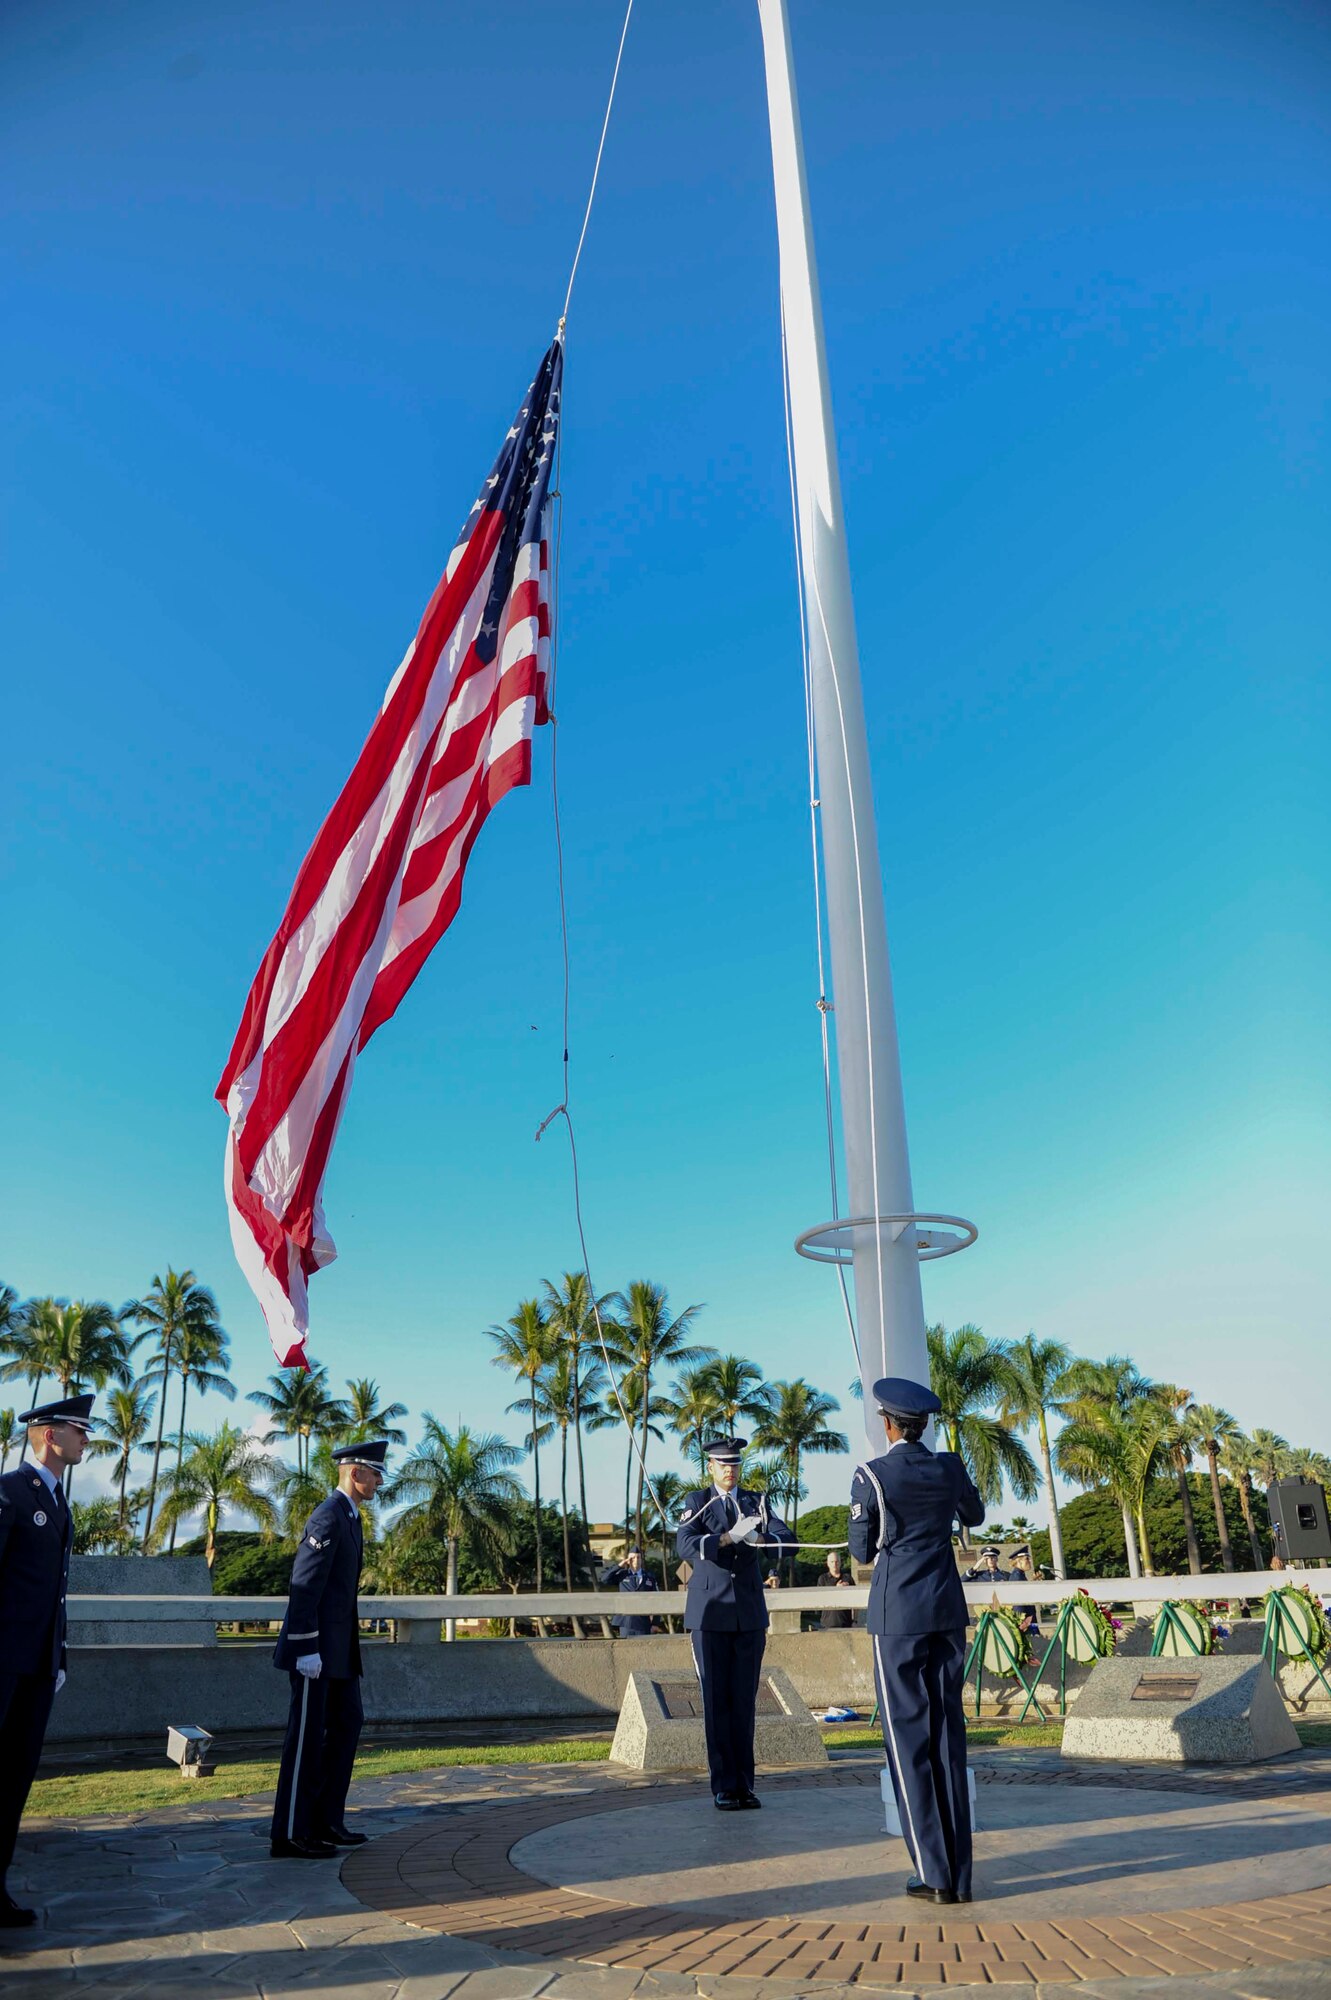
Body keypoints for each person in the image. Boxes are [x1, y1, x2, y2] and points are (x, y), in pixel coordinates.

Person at [850, 1376, 986, 1907]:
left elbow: (862, 1551)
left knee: (909, 1743)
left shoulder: (872, 1475)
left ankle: (933, 1873)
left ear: (887, 1424)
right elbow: (973, 1516)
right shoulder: (950, 1467)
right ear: (923, 1425)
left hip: (897, 1614)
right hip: (946, 1609)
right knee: (949, 1737)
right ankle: (959, 1874)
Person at [0, 1392, 96, 1927]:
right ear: (48, 1434)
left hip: (36, 1665)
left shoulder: (58, 1500)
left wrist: (56, 1656)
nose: (86, 1439)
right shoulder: (10, 1492)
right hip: (4, 1661)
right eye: (78, 1430)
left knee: (15, 1777)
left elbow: (52, 1591)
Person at [270, 1438, 388, 1858]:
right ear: (354, 1472)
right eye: (374, 1472)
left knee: (345, 1727)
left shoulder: (350, 1518)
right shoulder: (327, 1517)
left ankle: (326, 1821)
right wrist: (305, 1647)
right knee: (305, 1741)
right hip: (314, 1652)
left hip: (339, 1654)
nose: (378, 1480)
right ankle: (290, 1833)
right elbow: (304, 1586)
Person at [676, 1437, 797, 1811]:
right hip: (710, 1615)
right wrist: (725, 1538)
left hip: (747, 1615)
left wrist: (759, 1536)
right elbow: (684, 1543)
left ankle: (745, 1783)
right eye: (723, 1465)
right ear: (710, 1467)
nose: (730, 1470)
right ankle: (724, 1786)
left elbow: (788, 1542)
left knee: (744, 1702)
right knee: (716, 1701)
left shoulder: (756, 1502)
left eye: (735, 1465)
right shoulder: (697, 1502)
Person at [605, 1547, 660, 1635]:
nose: (636, 1560)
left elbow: (656, 1600)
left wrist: (655, 1623)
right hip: (626, 1621)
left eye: (638, 1557)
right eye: (632, 1558)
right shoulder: (622, 1575)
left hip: (643, 1622)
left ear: (641, 1560)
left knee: (643, 1648)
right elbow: (605, 1579)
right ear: (628, 1560)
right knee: (625, 1648)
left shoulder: (649, 1577)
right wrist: (619, 1566)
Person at [816, 1549, 855, 1630]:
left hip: (846, 1623)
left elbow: (855, 1600)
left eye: (837, 1561)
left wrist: (856, 1620)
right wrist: (836, 1590)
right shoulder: (823, 1579)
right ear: (827, 1563)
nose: (835, 1564)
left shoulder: (848, 1578)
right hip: (828, 1624)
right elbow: (820, 1599)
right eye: (832, 1562)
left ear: (840, 1563)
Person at [1007, 1546, 1040, 1634]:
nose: (1029, 1561)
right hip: (1025, 1621)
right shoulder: (1016, 1577)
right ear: (1018, 1561)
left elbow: (1025, 1594)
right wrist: (1021, 1621)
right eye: (1026, 1559)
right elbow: (1017, 1601)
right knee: (1032, 1644)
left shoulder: (1020, 1575)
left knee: (1035, 1643)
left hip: (1029, 1618)